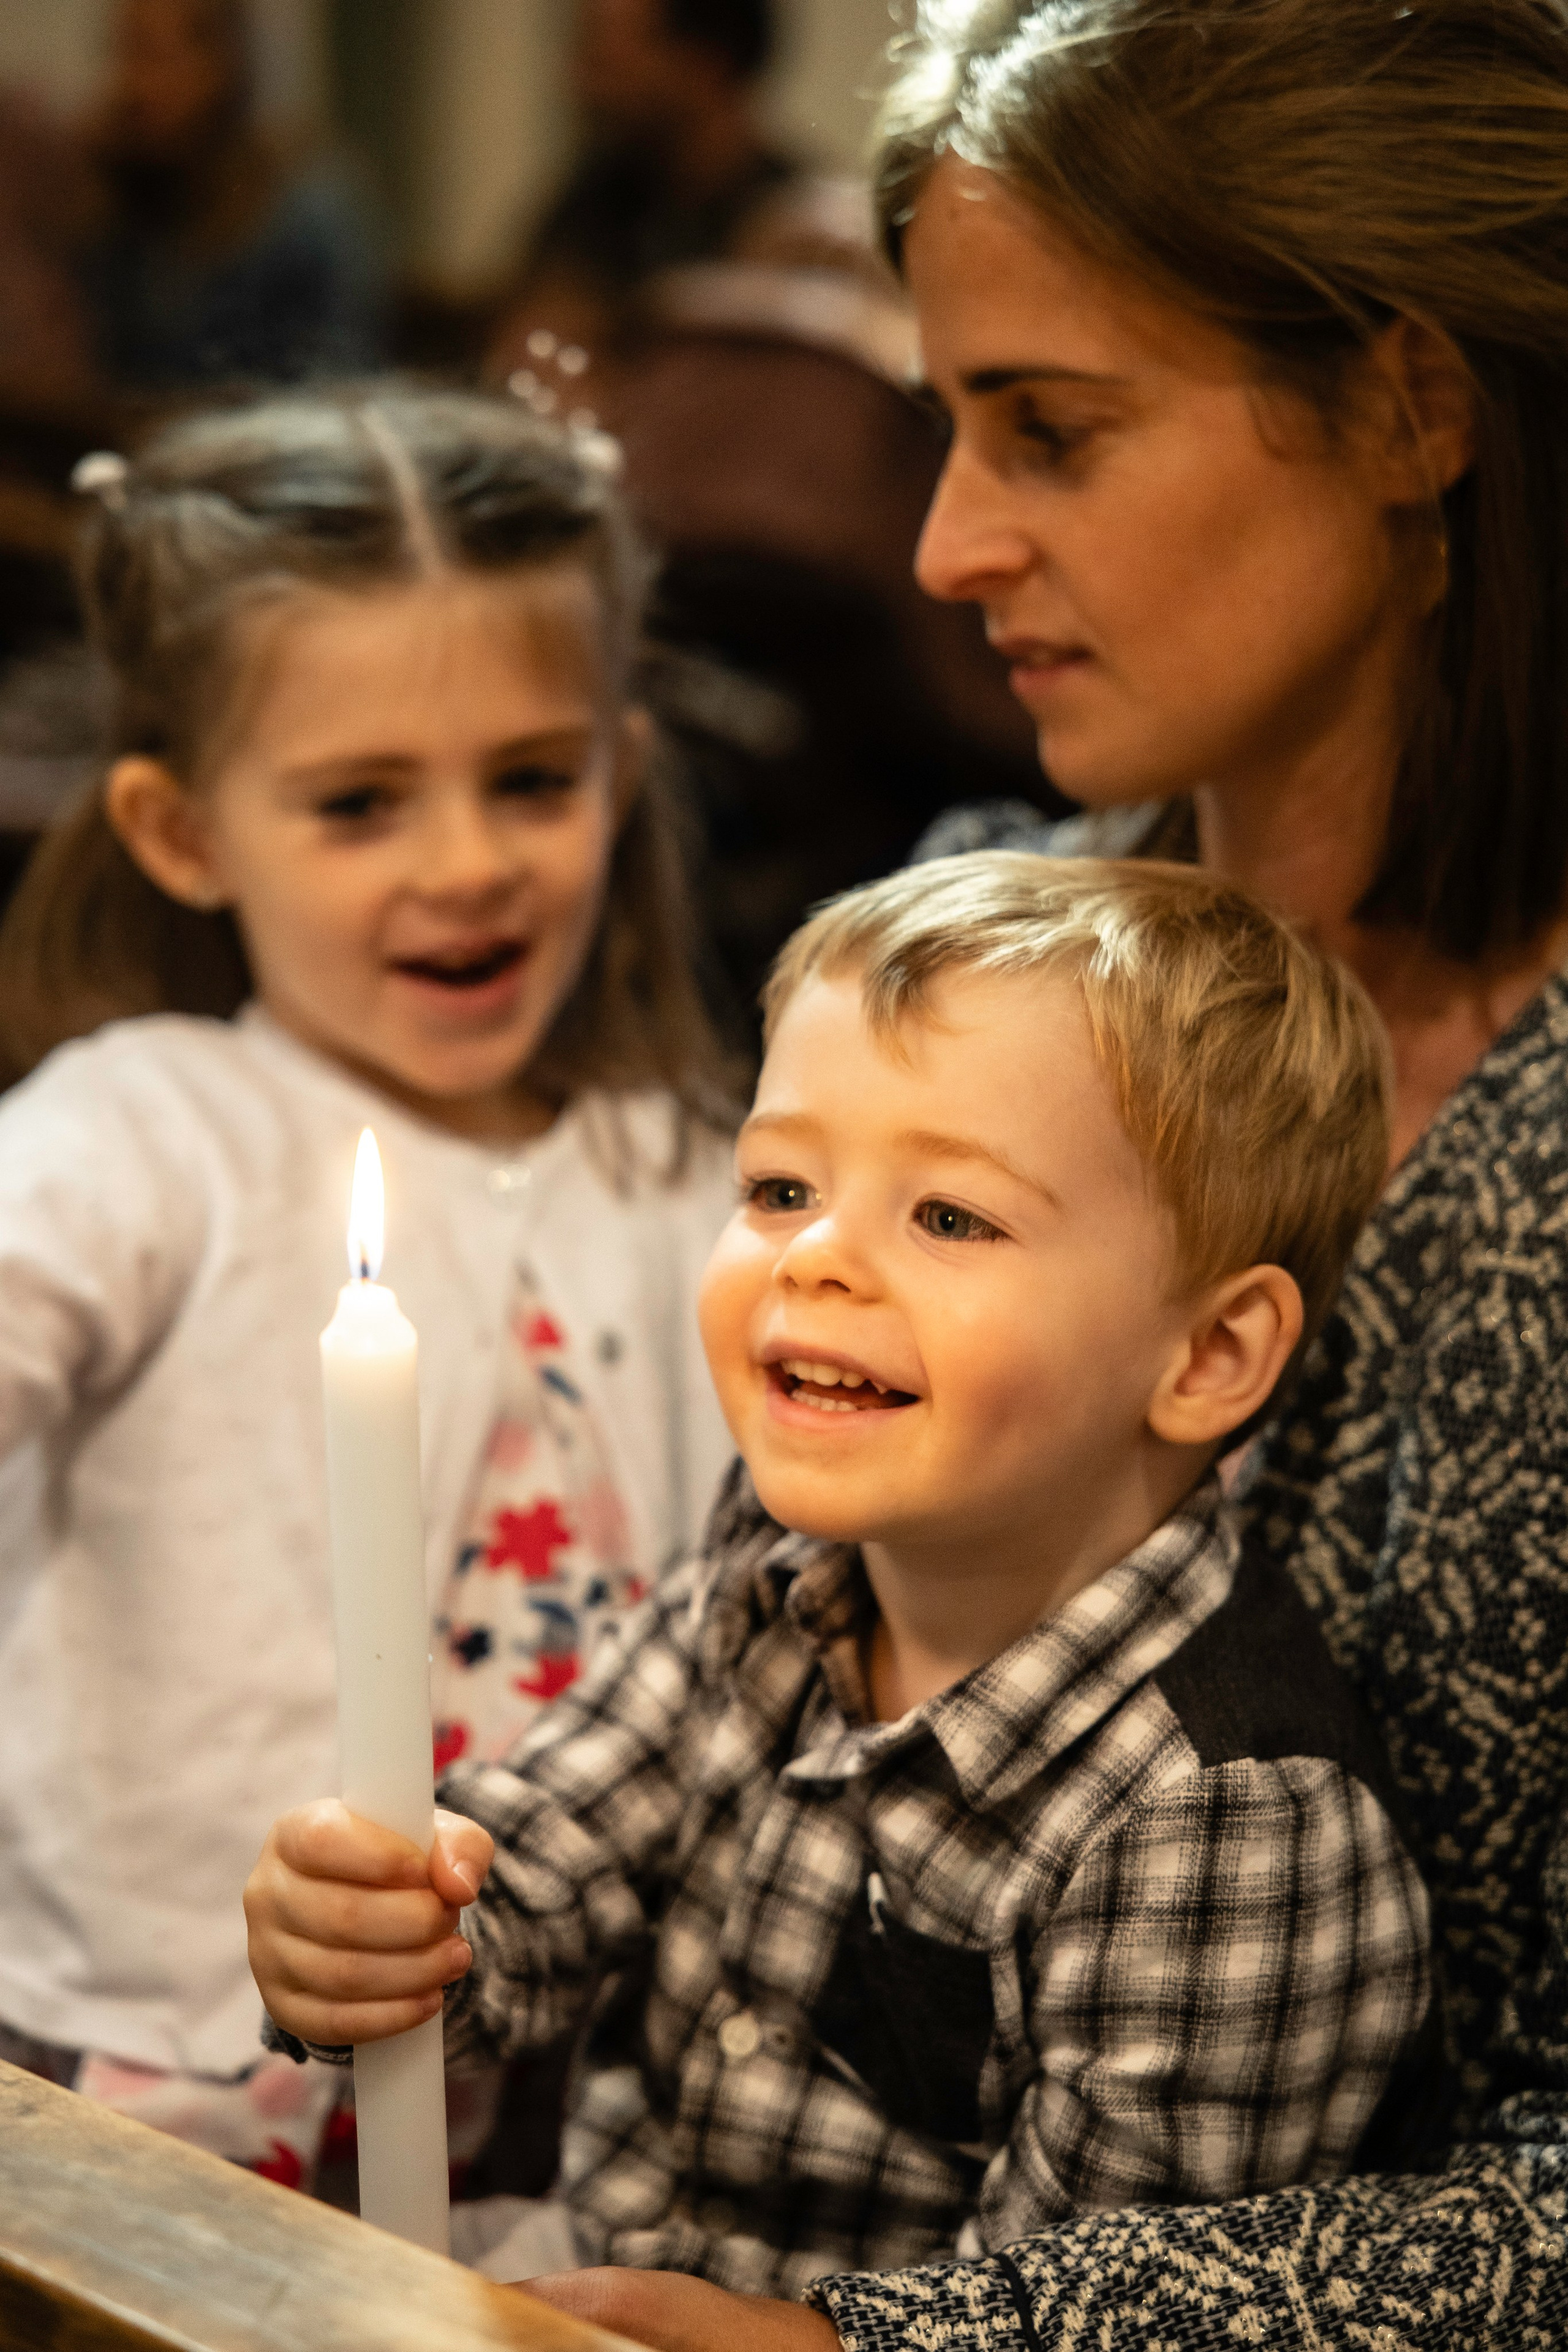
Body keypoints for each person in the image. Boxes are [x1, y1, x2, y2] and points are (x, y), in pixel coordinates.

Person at [505, 1, 1568, 2344]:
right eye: (946, 424)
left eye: (1051, 432)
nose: (944, 544)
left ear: (1413, 408)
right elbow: (750, 1681)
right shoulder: (979, 953)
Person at [247, 851, 1434, 2294]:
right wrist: (392, 1933)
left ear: (1206, 1356)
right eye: (778, 1185)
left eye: (949, 1217)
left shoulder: (1230, 1824)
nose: (812, 1255)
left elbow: (1069, 2312)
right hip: (588, 2265)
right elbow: (551, 1856)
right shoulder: (771, 1562)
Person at [0, 385, 737, 2187]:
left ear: (620, 769)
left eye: (532, 779)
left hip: (555, 2113)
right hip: (153, 2075)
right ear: (182, 830)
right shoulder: (149, 1127)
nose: (467, 861)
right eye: (358, 802)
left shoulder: (696, 1174)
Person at [78, 0, 384, 390]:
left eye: (154, 55)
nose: (132, 86)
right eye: (125, 53)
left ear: (223, 64)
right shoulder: (125, 202)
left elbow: (341, 381)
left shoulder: (311, 212)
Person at [489, 0, 798, 380]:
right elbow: (531, 344)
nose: (579, 81)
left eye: (604, 56)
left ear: (707, 64)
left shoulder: (799, 218)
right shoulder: (597, 196)